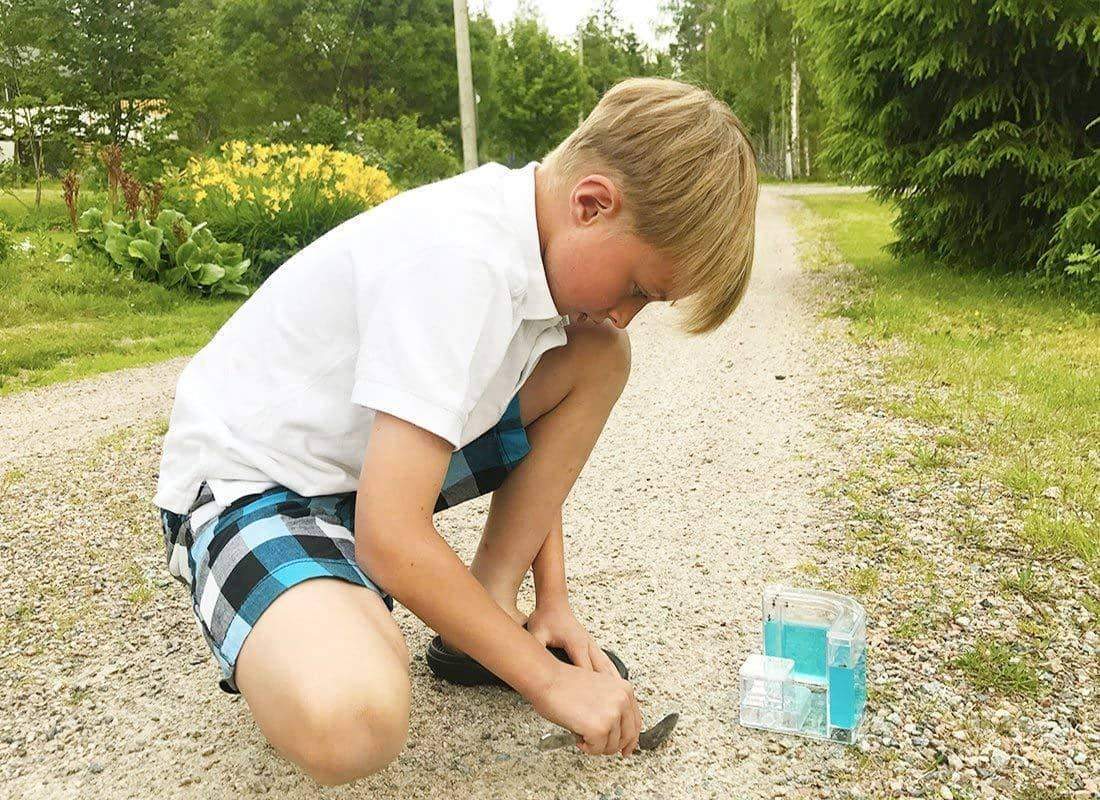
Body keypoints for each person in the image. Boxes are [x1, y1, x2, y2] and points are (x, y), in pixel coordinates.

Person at [154, 77, 758, 786]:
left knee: (596, 357)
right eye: (638, 289)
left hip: (361, 476)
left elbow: (530, 438)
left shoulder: (536, 241)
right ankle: (299, 618)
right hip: (255, 488)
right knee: (355, 719)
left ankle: (481, 615)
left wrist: (551, 601)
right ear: (591, 204)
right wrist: (548, 682)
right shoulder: (459, 261)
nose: (627, 313)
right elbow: (390, 535)